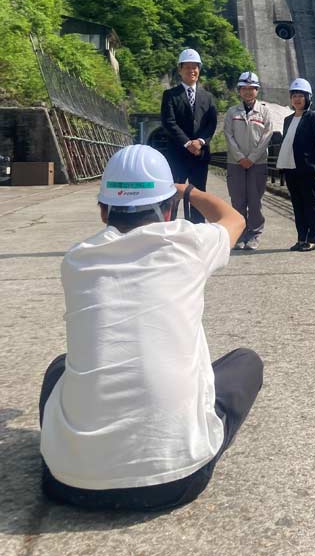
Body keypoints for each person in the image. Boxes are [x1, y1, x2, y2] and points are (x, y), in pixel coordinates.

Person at [39, 144, 263, 512]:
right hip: (175, 479)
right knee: (246, 362)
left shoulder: (76, 260)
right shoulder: (187, 244)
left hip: (68, 481)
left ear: (102, 210)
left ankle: (80, 449)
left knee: (59, 367)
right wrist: (188, 190)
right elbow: (234, 219)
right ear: (170, 210)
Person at [161, 48, 217, 223]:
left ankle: (197, 230)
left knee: (198, 195)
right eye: (187, 67)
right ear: (180, 70)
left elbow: (211, 124)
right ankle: (170, 230)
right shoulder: (170, 95)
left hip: (199, 156)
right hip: (177, 155)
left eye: (195, 67)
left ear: (199, 70)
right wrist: (187, 143)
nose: (192, 71)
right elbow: (169, 122)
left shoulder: (207, 97)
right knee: (173, 194)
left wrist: (200, 142)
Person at [223, 71, 274, 250]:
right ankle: (239, 234)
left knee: (255, 201)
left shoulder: (265, 112)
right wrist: (240, 157)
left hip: (257, 163)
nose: (248, 92)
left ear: (257, 90)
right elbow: (228, 136)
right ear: (239, 91)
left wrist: (251, 158)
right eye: (244, 88)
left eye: (251, 88)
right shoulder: (231, 112)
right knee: (237, 200)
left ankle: (254, 234)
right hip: (235, 163)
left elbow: (266, 137)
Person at [276, 78, 315, 252]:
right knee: (297, 205)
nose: (297, 99)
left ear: (308, 98)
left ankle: (312, 239)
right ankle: (301, 238)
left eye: (301, 96)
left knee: (310, 204)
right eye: (294, 96)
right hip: (290, 168)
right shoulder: (288, 120)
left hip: (307, 168)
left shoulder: (314, 117)